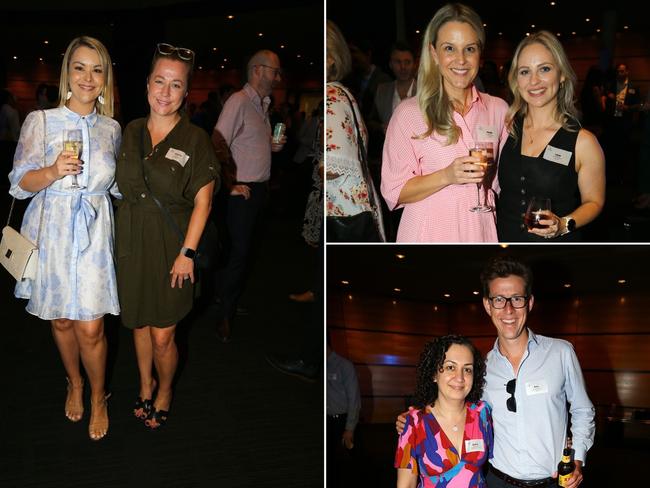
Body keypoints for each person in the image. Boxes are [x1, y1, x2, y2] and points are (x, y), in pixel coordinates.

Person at [398, 256, 595, 488]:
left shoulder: (560, 353)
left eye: (517, 299)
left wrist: (578, 459)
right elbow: (458, 406)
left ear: (529, 302)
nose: (508, 309)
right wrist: (415, 421)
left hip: (554, 482)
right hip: (498, 482)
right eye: (499, 299)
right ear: (487, 305)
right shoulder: (481, 368)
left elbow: (583, 410)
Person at [8, 36, 120, 441]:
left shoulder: (113, 128)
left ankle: (98, 395)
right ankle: (73, 381)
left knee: (91, 327)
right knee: (61, 319)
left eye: (97, 69)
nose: (88, 77)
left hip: (94, 230)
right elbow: (19, 184)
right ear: (67, 74)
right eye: (80, 67)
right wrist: (53, 171)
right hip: (51, 227)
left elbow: (120, 186)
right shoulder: (41, 120)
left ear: (105, 78)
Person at [114, 43, 219, 429]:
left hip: (172, 249)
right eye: (159, 81)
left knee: (163, 336)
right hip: (129, 244)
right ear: (147, 84)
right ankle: (144, 384)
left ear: (186, 93)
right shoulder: (130, 131)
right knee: (139, 324)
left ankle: (165, 389)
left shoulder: (195, 139)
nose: (165, 92)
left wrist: (187, 253)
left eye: (175, 85)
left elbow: (203, 203)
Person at [380, 3, 508, 242]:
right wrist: (447, 175)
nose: (461, 60)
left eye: (469, 49)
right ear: (434, 53)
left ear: (480, 55)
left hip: (480, 229)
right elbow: (394, 191)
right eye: (449, 48)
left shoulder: (498, 109)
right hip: (429, 232)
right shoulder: (408, 113)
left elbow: (506, 180)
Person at [496, 31, 605, 242]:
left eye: (544, 69)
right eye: (525, 72)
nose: (534, 81)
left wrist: (563, 225)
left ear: (562, 74)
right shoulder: (507, 128)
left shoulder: (583, 142)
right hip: (503, 240)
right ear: (516, 79)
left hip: (555, 244)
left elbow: (594, 202)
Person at [211, 49, 286, 342]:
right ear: (257, 70)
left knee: (242, 253)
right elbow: (217, 143)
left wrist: (272, 146)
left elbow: (247, 144)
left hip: (258, 191)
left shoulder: (263, 105)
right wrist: (229, 184)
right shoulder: (239, 102)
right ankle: (224, 316)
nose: (278, 77)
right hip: (241, 191)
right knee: (237, 255)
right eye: (274, 71)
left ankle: (226, 300)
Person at [395, 335, 492, 488]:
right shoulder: (414, 423)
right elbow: (406, 484)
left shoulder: (482, 413)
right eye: (450, 367)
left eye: (467, 369)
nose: (459, 378)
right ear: (434, 373)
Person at [325, 20, 385, 242]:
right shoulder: (341, 93)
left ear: (330, 58)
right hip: (354, 206)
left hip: (343, 212)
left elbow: (333, 165)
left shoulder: (332, 96)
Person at [327, 343, 361, 488]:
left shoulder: (344, 365)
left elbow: (354, 399)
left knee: (351, 456)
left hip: (342, 420)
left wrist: (349, 428)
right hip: (326, 419)